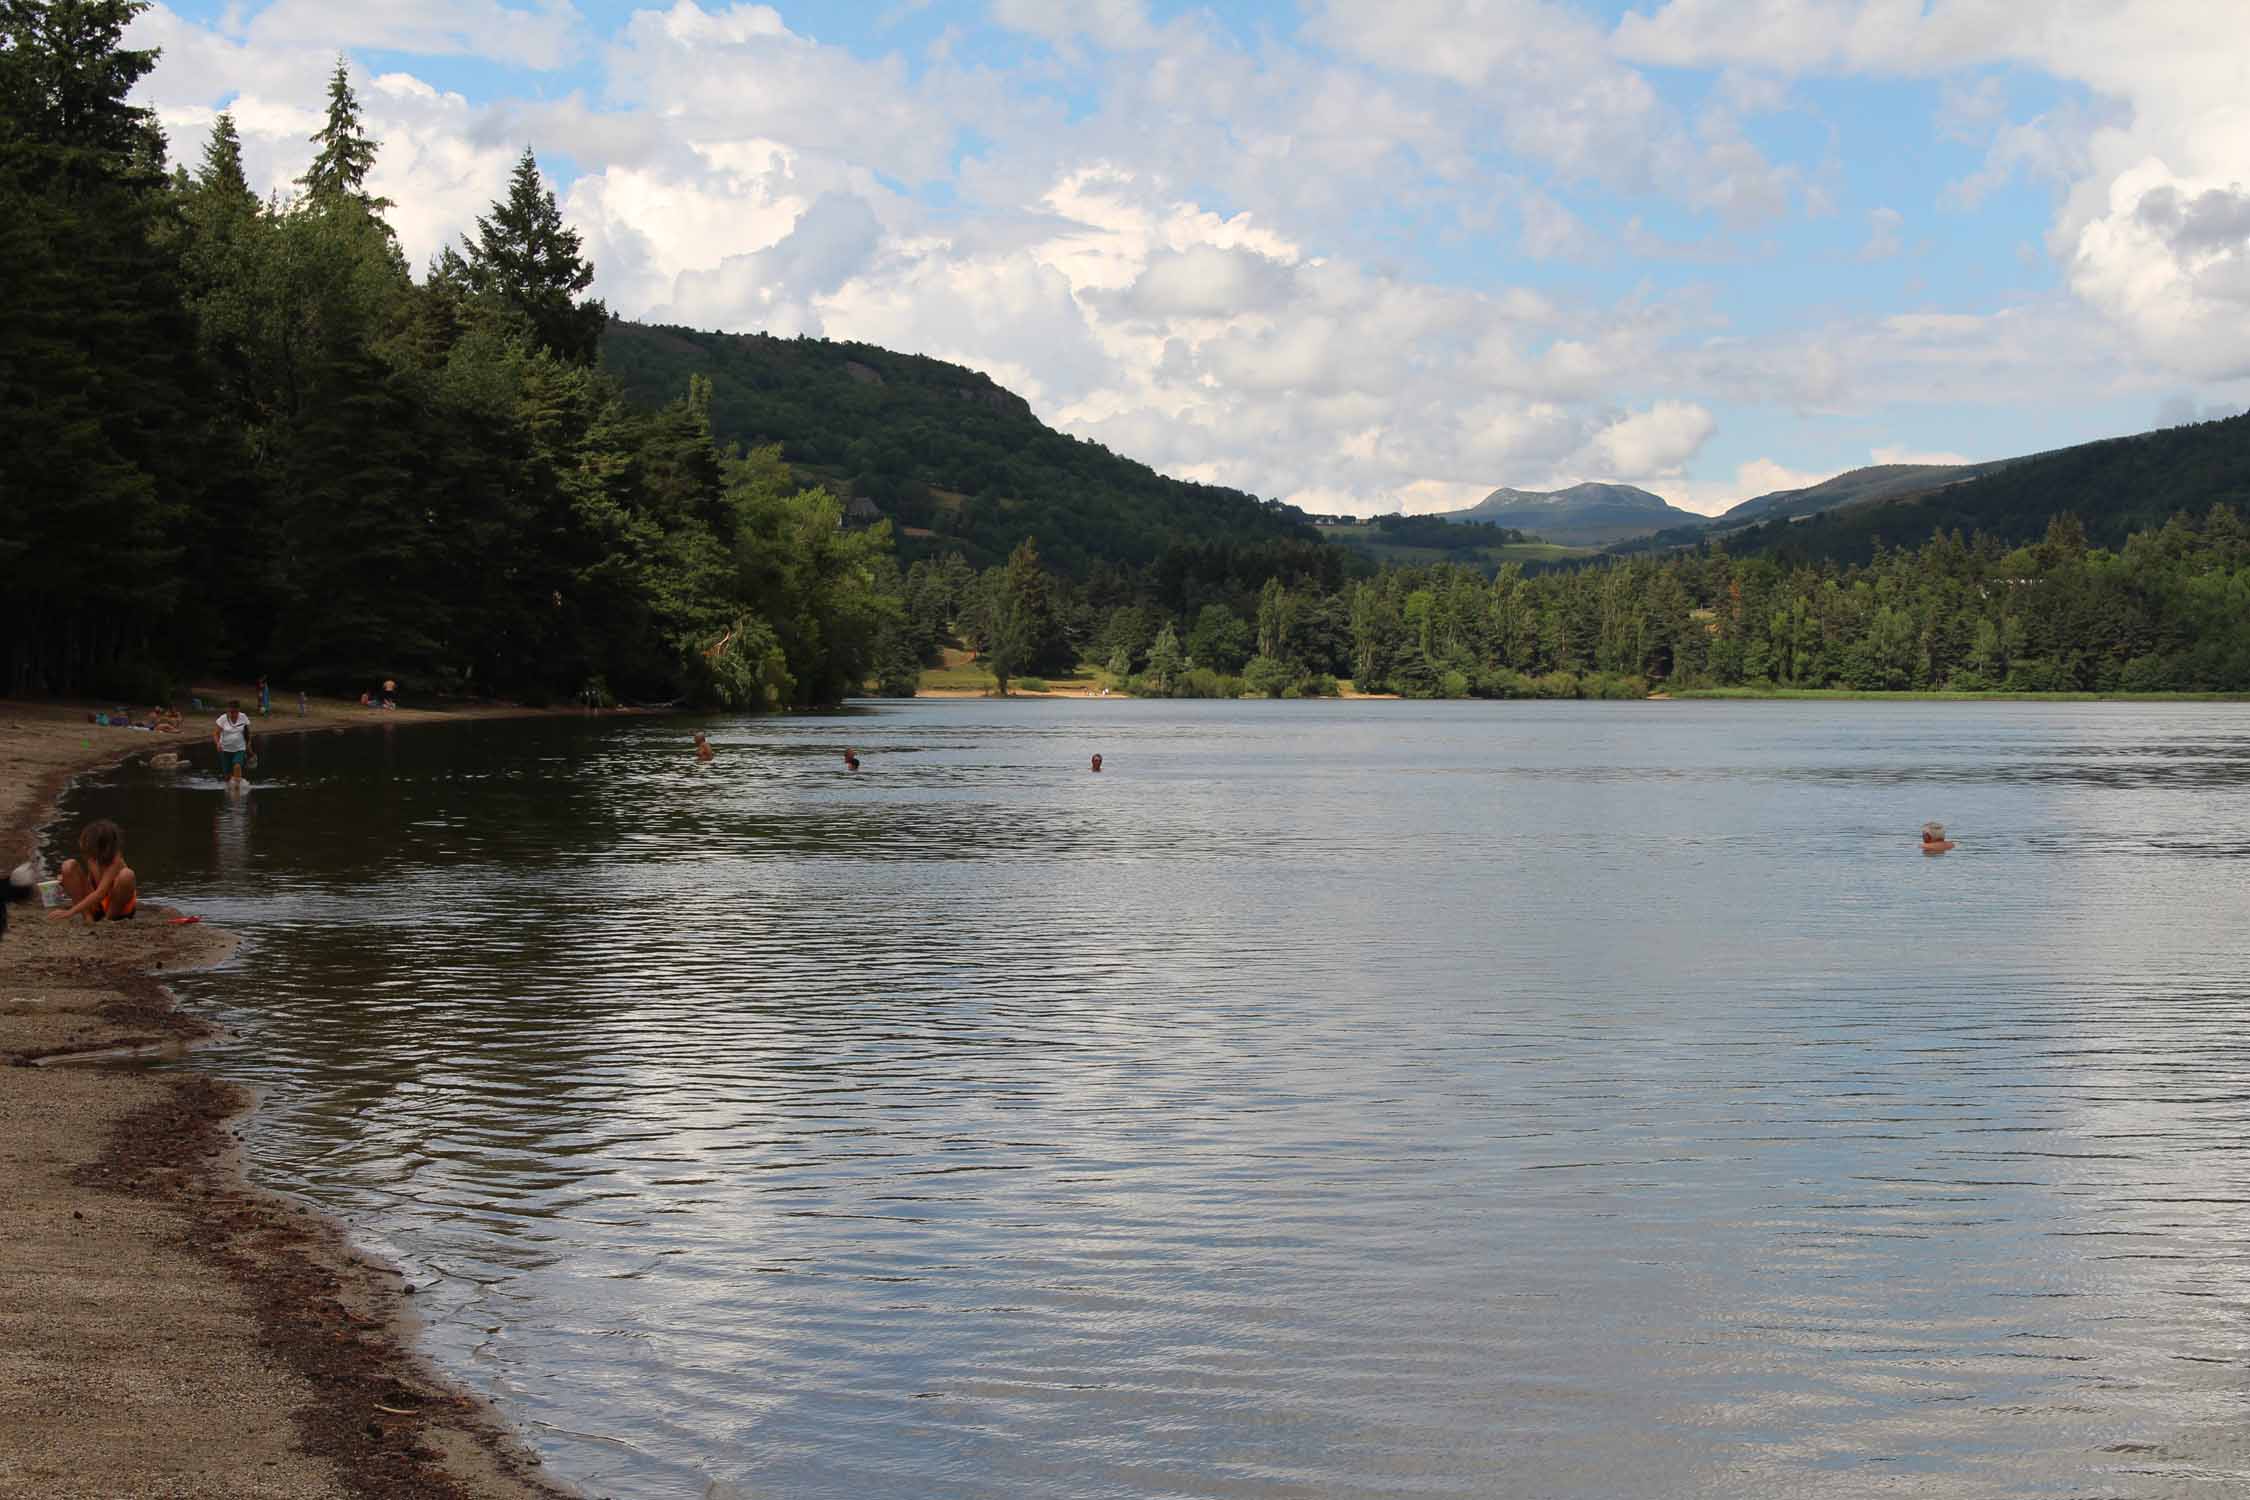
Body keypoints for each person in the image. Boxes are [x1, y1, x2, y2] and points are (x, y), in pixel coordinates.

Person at [52, 820, 137, 924]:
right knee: (68, 866)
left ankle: (108, 919)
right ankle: (88, 917)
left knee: (127, 875)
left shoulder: (115, 861)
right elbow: (90, 887)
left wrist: (69, 912)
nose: (81, 843)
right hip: (98, 906)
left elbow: (101, 893)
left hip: (117, 910)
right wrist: (67, 882)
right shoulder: (92, 859)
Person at [214, 698, 252, 788]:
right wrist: (217, 743)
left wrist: (249, 745)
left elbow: (247, 733)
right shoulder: (222, 719)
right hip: (225, 749)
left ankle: (237, 789)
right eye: (230, 712)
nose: (232, 714)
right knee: (227, 776)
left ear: (238, 710)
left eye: (235, 712)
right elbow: (216, 733)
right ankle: (229, 788)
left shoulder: (243, 717)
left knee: (237, 765)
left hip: (240, 748)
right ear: (228, 710)